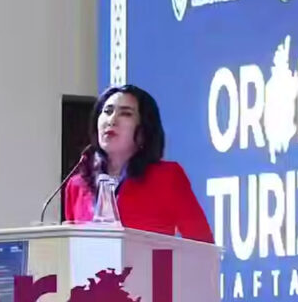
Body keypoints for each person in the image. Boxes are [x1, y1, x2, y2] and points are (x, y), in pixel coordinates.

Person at [63, 85, 215, 244]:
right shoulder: (77, 185)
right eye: (107, 111)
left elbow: (204, 246)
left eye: (126, 113)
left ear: (143, 130)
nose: (111, 120)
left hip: (148, 261)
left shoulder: (167, 177)